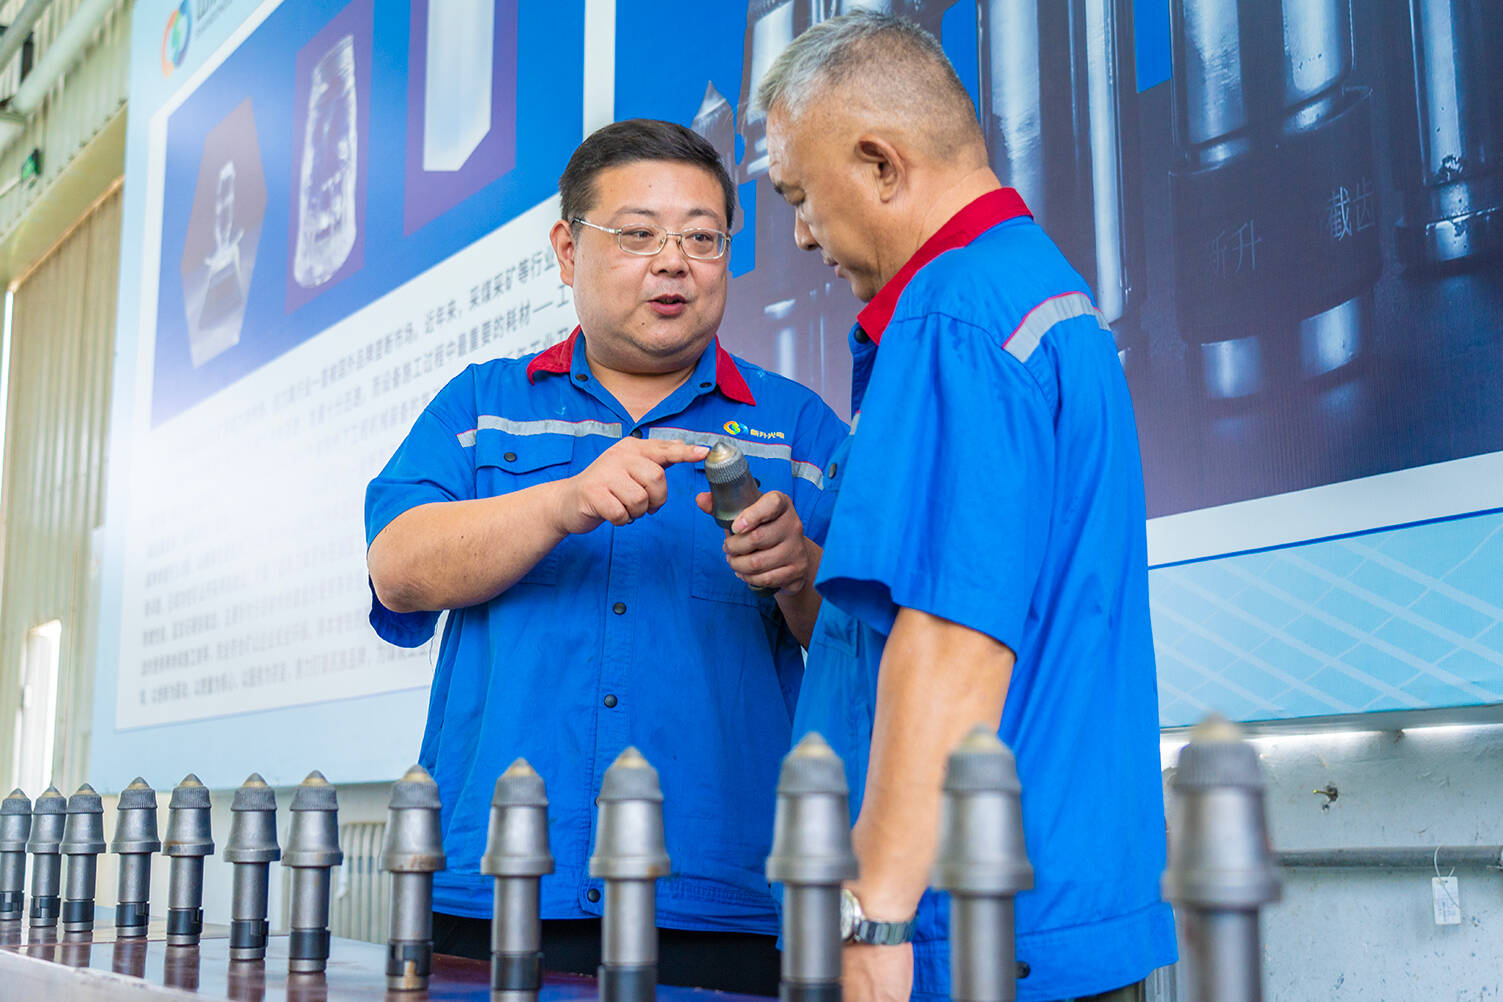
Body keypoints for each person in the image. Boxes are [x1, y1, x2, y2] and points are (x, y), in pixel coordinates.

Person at [364, 119, 848, 995]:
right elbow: (398, 570)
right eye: (637, 235)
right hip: (496, 884)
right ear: (566, 249)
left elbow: (864, 642)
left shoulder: (796, 430)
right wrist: (560, 503)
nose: (673, 264)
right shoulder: (482, 407)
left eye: (702, 238)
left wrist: (799, 569)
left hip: (721, 900)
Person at [756, 13, 1176, 1002]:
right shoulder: (1038, 298)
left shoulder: (954, 316)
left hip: (965, 932)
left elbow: (953, 642)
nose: (803, 234)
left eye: (801, 197)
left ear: (880, 164)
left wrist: (874, 914)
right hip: (1040, 911)